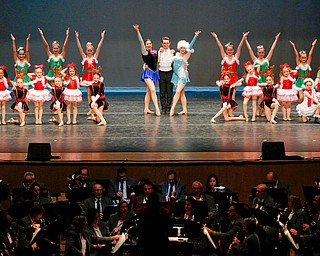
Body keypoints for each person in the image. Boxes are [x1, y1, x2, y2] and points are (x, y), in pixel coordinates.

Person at [130, 188, 175, 255]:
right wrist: (172, 196)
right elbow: (170, 207)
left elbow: (136, 206)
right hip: (161, 241)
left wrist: (132, 194)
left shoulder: (144, 211)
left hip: (147, 242)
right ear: (158, 201)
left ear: (148, 200)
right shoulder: (162, 211)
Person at [245, 33, 280, 116]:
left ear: (264, 53)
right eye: (259, 52)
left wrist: (276, 40)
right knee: (260, 96)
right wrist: (246, 39)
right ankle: (258, 109)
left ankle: (263, 109)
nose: (261, 54)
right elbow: (250, 50)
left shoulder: (267, 59)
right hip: (259, 79)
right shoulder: (255, 60)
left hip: (266, 78)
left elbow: (272, 49)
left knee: (266, 96)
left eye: (262, 52)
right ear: (257, 53)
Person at [169, 30, 201, 116]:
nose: (183, 49)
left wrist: (195, 36)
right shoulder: (176, 54)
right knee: (182, 93)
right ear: (179, 48)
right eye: (181, 48)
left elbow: (190, 47)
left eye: (184, 48)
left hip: (182, 76)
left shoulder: (187, 55)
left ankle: (172, 108)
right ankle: (184, 109)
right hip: (176, 75)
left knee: (178, 91)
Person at [210, 31, 249, 101]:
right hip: (225, 77)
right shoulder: (224, 57)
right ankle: (225, 107)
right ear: (226, 51)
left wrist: (243, 37)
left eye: (231, 50)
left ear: (233, 50)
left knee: (232, 94)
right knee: (224, 93)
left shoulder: (235, 58)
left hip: (233, 77)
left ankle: (232, 108)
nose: (229, 51)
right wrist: (216, 37)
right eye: (228, 50)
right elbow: (221, 47)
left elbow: (239, 47)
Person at [75, 29, 105, 117]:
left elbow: (99, 47)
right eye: (88, 50)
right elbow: (79, 47)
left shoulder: (95, 57)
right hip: (86, 77)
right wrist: (77, 38)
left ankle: (96, 107)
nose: (89, 52)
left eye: (91, 50)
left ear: (93, 50)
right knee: (89, 94)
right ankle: (91, 109)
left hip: (93, 77)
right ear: (86, 50)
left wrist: (102, 38)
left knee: (96, 93)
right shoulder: (84, 57)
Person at [133, 24, 161, 116]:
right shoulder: (144, 52)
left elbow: (159, 60)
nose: (148, 45)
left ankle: (146, 109)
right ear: (145, 45)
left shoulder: (156, 52)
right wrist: (138, 31)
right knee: (153, 90)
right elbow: (141, 42)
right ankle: (157, 108)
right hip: (148, 72)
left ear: (151, 44)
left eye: (150, 44)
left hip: (154, 73)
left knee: (148, 91)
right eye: (147, 44)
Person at [158, 36, 175, 114]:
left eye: (167, 43)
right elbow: (158, 61)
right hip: (161, 72)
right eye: (164, 43)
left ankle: (168, 107)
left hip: (169, 72)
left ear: (169, 43)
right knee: (162, 91)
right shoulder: (160, 51)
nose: (165, 45)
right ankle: (163, 107)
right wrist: (159, 52)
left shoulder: (171, 52)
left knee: (169, 91)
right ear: (162, 43)